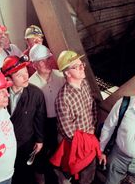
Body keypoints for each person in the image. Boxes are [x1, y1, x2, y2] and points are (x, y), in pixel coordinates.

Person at [52, 50, 101, 183]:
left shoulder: (84, 84)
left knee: (89, 174)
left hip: (89, 136)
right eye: (76, 66)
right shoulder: (63, 98)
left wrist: (92, 128)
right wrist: (88, 139)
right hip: (77, 145)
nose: (81, 68)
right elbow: (68, 132)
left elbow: (92, 108)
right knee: (79, 174)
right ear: (67, 73)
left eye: (81, 64)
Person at [0, 55, 46, 184]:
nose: (26, 77)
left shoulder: (36, 94)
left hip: (25, 142)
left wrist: (39, 140)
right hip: (5, 145)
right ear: (8, 78)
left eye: (26, 72)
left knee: (26, 175)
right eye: (20, 75)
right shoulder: (0, 93)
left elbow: (39, 119)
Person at [28, 44, 65, 156]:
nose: (47, 63)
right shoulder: (30, 84)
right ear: (34, 65)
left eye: (48, 59)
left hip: (61, 121)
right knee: (47, 153)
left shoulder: (61, 76)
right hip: (43, 125)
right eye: (42, 62)